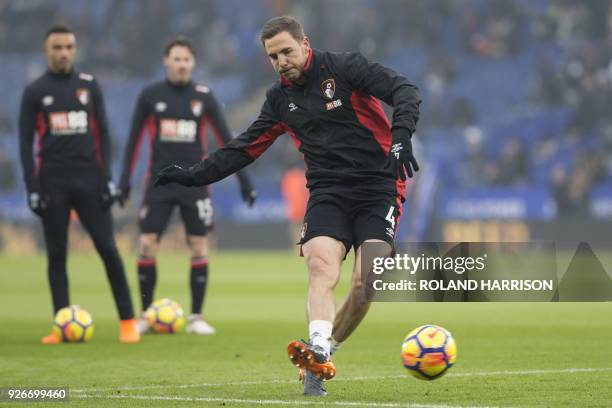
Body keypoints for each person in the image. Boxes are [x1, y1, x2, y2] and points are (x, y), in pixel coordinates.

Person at [155, 16, 420, 395]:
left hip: (379, 186)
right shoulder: (279, 100)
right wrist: (193, 175)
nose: (281, 61)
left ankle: (325, 350)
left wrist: (401, 137)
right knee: (320, 265)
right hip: (328, 192)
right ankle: (316, 353)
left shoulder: (345, 68)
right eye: (273, 56)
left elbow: (404, 89)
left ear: (305, 44)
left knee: (367, 283)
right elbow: (242, 149)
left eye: (286, 51)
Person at [118, 37, 256, 335]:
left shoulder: (203, 96)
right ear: (166, 61)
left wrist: (244, 180)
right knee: (146, 244)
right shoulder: (150, 95)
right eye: (176, 59)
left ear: (192, 64)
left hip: (195, 181)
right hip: (159, 182)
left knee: (198, 245)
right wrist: (124, 182)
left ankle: (196, 317)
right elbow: (133, 140)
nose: (181, 64)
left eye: (186, 60)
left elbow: (227, 140)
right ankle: (145, 315)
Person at [18, 25, 139, 344]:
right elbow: (24, 142)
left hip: (90, 180)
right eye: (57, 47)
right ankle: (63, 326)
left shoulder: (88, 86)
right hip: (52, 182)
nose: (63, 53)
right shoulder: (35, 91)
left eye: (69, 47)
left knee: (108, 250)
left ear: (75, 50)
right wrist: (32, 186)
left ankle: (128, 321)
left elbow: (104, 134)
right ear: (47, 51)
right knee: (57, 255)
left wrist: (108, 178)